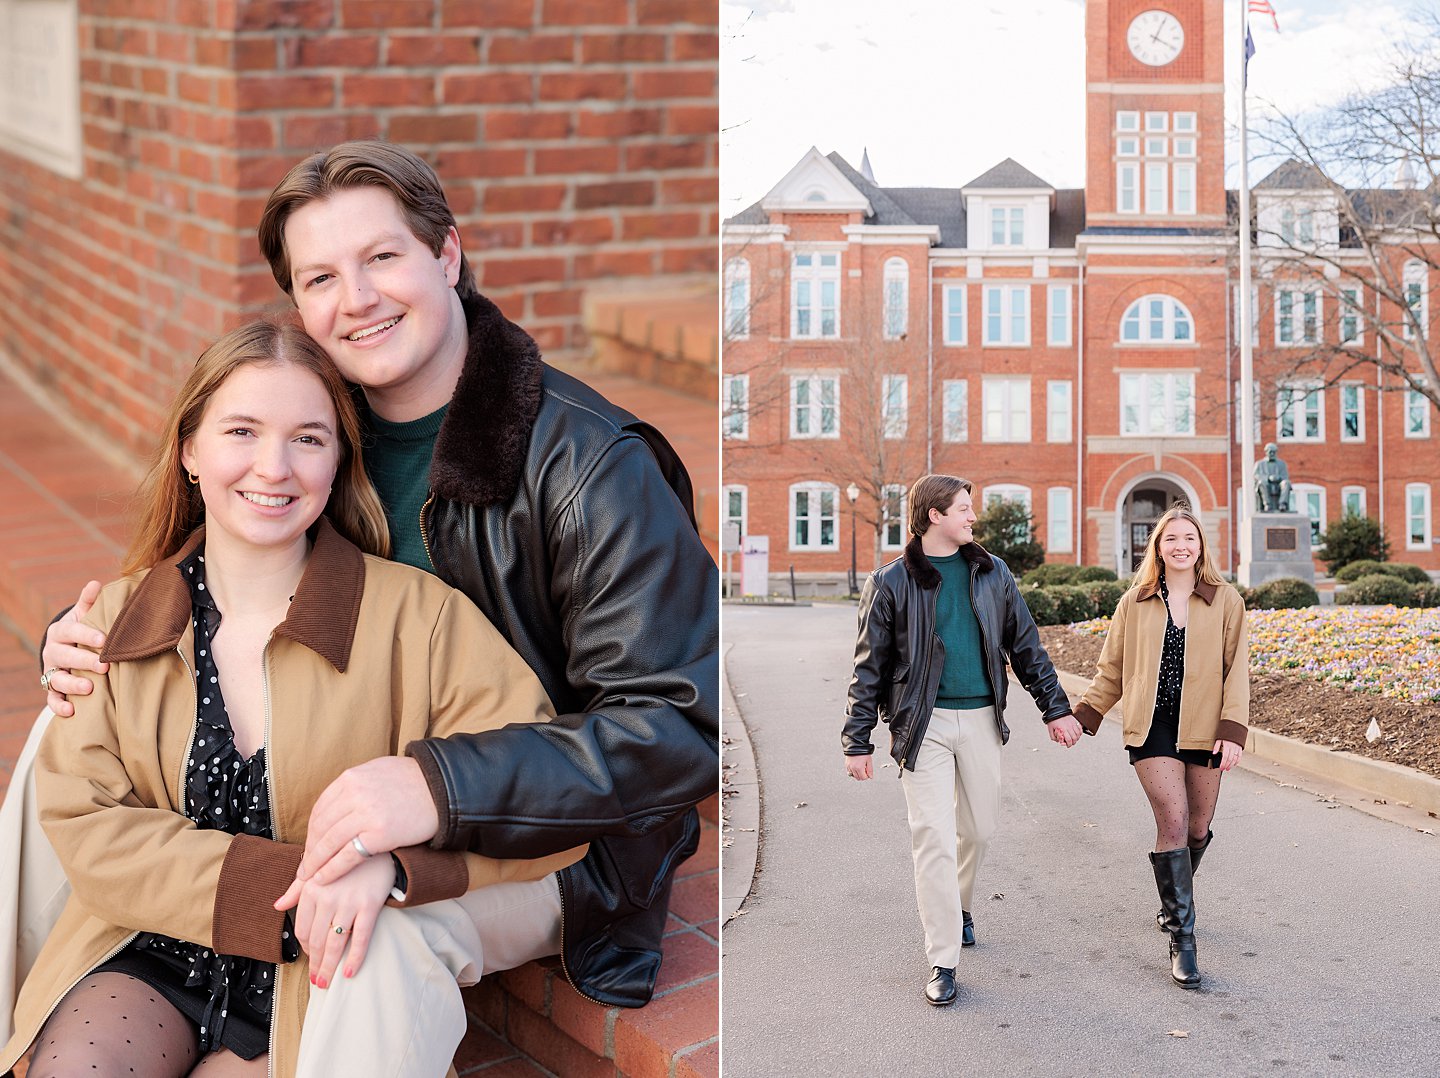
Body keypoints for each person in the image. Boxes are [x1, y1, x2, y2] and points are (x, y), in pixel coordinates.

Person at [36, 141, 718, 1070]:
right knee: (61, 731)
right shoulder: (328, 415)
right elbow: (232, 551)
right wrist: (91, 641)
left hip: (558, 837)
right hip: (344, 798)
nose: (356, 298)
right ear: (300, 306)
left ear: (448, 256)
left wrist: (438, 790)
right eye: (322, 276)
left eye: (383, 258)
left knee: (375, 934)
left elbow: (679, 732)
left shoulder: (594, 467)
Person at [2, 320, 582, 1077]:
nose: (273, 467)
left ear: (339, 460)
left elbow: (544, 793)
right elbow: (86, 824)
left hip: (317, 975)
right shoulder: (111, 625)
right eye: (241, 430)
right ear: (190, 452)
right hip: (145, 947)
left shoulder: (421, 619)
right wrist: (290, 891)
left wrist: (397, 872)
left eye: (308, 438)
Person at [842, 474, 1081, 1006]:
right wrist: (857, 739)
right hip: (920, 725)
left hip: (979, 720)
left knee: (978, 829)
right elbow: (869, 667)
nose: (973, 517)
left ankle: (961, 903)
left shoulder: (994, 573)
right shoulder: (892, 582)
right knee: (931, 835)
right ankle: (942, 958)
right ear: (934, 516)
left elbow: (1026, 647)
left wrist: (1055, 709)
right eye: (964, 509)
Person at [1073, 504, 1249, 989]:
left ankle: (1175, 897)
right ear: (1157, 546)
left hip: (1205, 727)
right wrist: (1083, 716)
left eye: (1189, 538)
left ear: (1200, 546)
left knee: (1197, 826)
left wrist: (1232, 731)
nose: (1180, 546)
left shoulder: (1224, 600)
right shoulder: (1135, 601)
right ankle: (1182, 937)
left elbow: (1237, 671)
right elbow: (1112, 669)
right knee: (1171, 821)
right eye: (1170, 538)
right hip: (1152, 729)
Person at [1254, 442, 1292, 512]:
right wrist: (1268, 478)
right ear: (1266, 452)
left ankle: (1282, 504)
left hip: (1278, 485)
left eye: (1274, 452)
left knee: (1286, 483)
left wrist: (1278, 478)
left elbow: (1285, 476)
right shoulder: (1259, 464)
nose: (1272, 454)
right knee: (1261, 482)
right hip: (1265, 484)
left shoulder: (1282, 464)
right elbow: (1256, 475)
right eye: (1270, 452)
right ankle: (1267, 504)